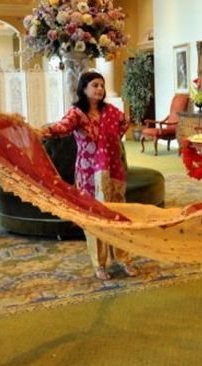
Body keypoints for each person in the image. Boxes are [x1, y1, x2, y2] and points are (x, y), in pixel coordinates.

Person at [41, 71, 136, 281]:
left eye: (102, 85)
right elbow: (61, 128)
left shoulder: (111, 112)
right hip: (89, 173)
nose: (100, 89)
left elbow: (124, 124)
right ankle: (100, 264)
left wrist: (109, 145)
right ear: (84, 89)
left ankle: (123, 258)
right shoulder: (77, 113)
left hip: (112, 170)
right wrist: (42, 131)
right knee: (95, 218)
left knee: (117, 213)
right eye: (95, 85)